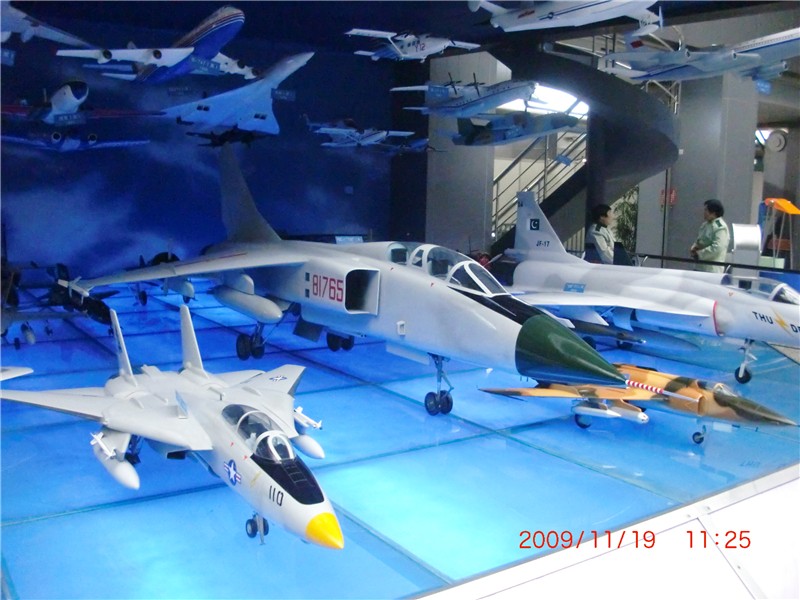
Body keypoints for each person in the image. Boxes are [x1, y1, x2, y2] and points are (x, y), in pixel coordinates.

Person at [690, 199, 730, 273]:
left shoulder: (720, 227)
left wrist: (699, 254)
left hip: (711, 269)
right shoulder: (705, 225)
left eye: (706, 210)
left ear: (713, 212)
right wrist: (694, 248)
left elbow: (717, 247)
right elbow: (699, 240)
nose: (704, 213)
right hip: (699, 267)